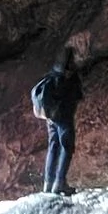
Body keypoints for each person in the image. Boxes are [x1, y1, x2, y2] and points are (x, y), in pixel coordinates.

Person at [39, 47, 83, 195]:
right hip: (64, 117)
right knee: (66, 147)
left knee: (53, 147)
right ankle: (60, 183)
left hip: (50, 117)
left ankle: (47, 184)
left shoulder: (53, 72)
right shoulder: (70, 76)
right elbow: (76, 96)